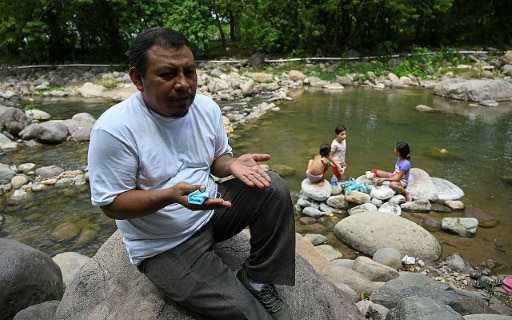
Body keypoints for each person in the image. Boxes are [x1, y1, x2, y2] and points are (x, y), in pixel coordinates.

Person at [87, 27, 295, 320]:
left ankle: (258, 279)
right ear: (137, 79)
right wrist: (170, 196)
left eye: (190, 72)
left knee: (272, 187)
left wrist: (231, 165)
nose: (183, 85)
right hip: (163, 245)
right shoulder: (114, 130)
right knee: (247, 315)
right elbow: (112, 204)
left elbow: (216, 160)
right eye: (168, 74)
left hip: (211, 211)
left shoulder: (206, 108)